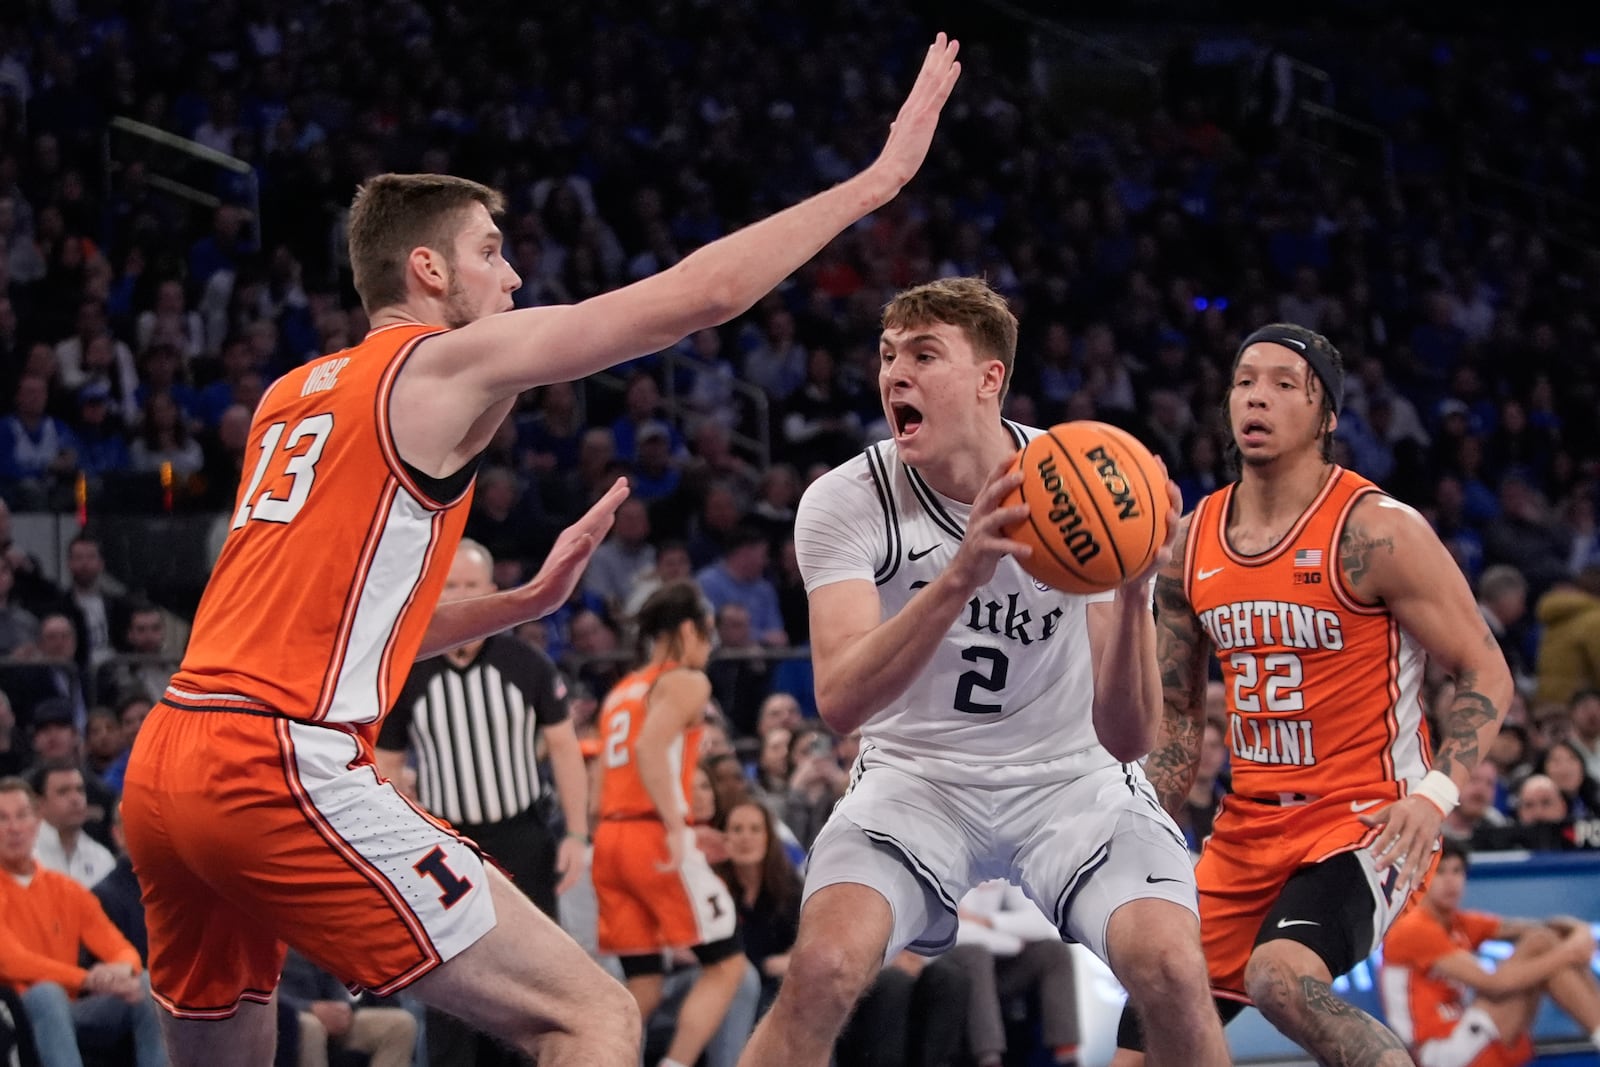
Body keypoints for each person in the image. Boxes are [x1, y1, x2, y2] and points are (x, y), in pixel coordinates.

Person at [120, 33, 961, 1067]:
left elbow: (339, 627)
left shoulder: (289, 395)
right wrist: (876, 182)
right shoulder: (438, 365)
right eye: (489, 252)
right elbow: (696, 296)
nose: (512, 275)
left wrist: (518, 601)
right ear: (425, 268)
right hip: (272, 763)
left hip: (170, 758)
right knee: (595, 1018)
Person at [737, 277, 1228, 1067]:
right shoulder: (846, 499)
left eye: (924, 354)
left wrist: (1137, 590)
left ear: (988, 379)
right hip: (916, 776)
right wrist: (960, 575)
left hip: (1071, 777)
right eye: (888, 355)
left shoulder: (1082, 484)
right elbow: (838, 700)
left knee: (1173, 969)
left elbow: (1130, 735)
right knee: (822, 969)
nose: (895, 372)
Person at [1114, 324, 1514, 1067]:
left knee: (1280, 977)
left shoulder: (1377, 531)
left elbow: (1486, 669)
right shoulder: (1191, 539)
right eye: (1244, 381)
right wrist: (1150, 826)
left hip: (1365, 820)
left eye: (1283, 383)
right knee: (1148, 1031)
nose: (1256, 396)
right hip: (1244, 832)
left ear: (1326, 415)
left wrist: (1434, 796)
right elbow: (1177, 709)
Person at [376, 538, 591, 1067]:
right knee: (451, 986)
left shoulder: (527, 664)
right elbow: (386, 765)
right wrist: (401, 839)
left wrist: (577, 835)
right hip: (446, 847)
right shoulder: (410, 671)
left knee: (534, 978)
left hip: (522, 835)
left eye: (471, 586)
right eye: (450, 586)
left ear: (493, 591)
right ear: (432, 592)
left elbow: (565, 748)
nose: (461, 595)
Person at [593, 581, 747, 1067]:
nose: (708, 649)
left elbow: (602, 776)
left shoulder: (621, 691)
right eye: (707, 636)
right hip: (652, 836)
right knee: (727, 964)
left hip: (610, 838)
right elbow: (649, 747)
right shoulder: (685, 680)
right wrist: (677, 827)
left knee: (643, 984)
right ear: (687, 629)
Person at [1381, 839, 1600, 1066]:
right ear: (1420, 878)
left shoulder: (1458, 923)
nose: (1450, 881)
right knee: (1546, 952)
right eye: (1439, 872)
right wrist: (1570, 952)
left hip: (1462, 1035)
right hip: (1434, 1052)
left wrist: (1578, 929)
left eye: (1457, 871)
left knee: (1542, 943)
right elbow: (1494, 983)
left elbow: (1543, 929)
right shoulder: (1413, 927)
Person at [0, 777, 167, 1067]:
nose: (14, 827)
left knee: (144, 983)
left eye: (22, 815)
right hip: (15, 1008)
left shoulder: (66, 889)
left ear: (38, 822)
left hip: (74, 1006)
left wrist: (122, 970)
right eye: (2, 818)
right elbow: (11, 962)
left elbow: (119, 947)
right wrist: (87, 978)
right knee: (47, 994)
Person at [28, 762, 115, 889]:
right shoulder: (25, 855)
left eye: (80, 790)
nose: (75, 799)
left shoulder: (102, 857)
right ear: (39, 804)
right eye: (63, 792)